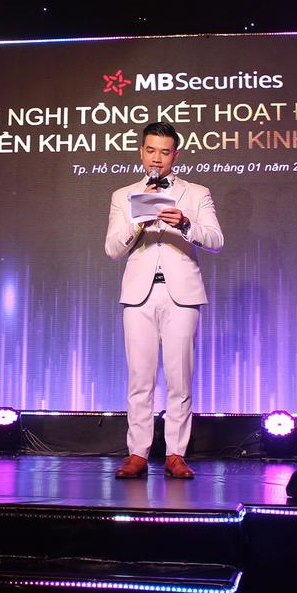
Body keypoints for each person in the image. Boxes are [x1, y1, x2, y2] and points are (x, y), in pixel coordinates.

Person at [104, 122, 224, 479]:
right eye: (151, 150)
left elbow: (216, 240)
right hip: (139, 295)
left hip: (181, 295)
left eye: (165, 152)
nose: (157, 158)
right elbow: (112, 250)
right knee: (140, 379)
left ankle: (175, 453)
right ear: (141, 152)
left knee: (179, 378)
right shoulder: (123, 195)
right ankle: (137, 453)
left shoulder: (196, 192)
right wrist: (137, 223)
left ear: (176, 155)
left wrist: (185, 224)